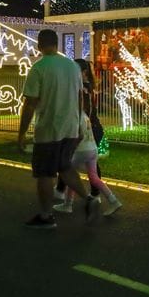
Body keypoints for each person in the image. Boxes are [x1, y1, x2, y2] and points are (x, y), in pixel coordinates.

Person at [18, 29, 100, 229]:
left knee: (45, 173)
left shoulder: (39, 68)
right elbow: (81, 97)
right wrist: (79, 125)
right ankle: (89, 199)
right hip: (71, 128)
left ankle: (46, 216)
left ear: (39, 45)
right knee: (64, 167)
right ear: (57, 44)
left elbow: (30, 103)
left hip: (49, 129)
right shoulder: (72, 67)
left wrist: (21, 134)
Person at [54, 109, 122, 216]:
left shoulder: (73, 114)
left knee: (70, 174)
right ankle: (113, 201)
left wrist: (69, 149)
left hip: (81, 150)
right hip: (92, 148)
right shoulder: (83, 114)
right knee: (94, 178)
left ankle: (68, 204)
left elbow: (78, 135)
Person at [55, 59, 104, 200]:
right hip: (92, 129)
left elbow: (84, 112)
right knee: (83, 163)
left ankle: (63, 192)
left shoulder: (83, 88)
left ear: (83, 72)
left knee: (67, 160)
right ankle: (95, 194)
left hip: (88, 130)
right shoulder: (86, 87)